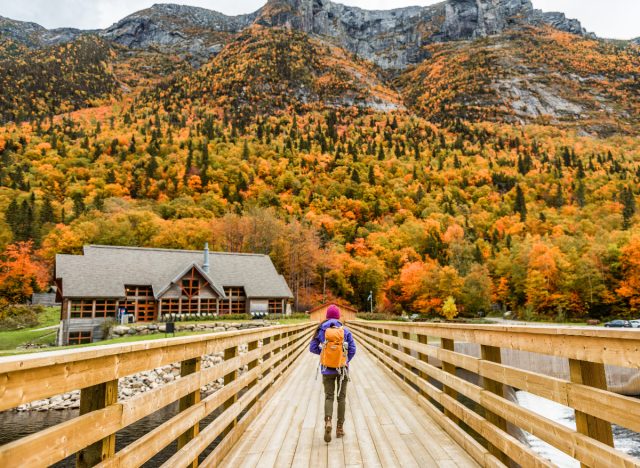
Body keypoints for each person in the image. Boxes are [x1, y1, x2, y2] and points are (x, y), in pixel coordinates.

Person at [309, 304, 356, 443]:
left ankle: (328, 421)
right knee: (341, 398)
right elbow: (353, 349)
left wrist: (324, 355)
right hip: (342, 369)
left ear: (327, 316)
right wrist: (345, 360)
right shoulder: (345, 331)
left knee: (329, 396)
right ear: (338, 316)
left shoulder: (321, 329)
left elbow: (312, 347)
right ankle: (340, 428)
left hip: (327, 368)